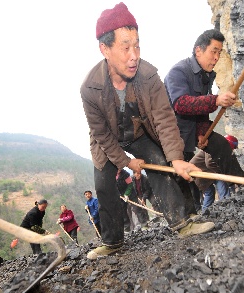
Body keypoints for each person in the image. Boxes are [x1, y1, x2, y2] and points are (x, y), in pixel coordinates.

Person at [80, 2, 215, 260]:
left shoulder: (149, 75)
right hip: (107, 140)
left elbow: (163, 117)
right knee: (104, 183)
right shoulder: (90, 88)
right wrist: (126, 162)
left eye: (137, 45)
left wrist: (176, 158)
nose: (134, 55)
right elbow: (101, 134)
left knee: (158, 162)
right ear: (104, 49)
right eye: (125, 47)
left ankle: (182, 222)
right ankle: (112, 241)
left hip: (138, 132)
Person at [164, 29, 244, 185]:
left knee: (220, 144)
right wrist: (215, 100)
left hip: (192, 130)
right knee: (180, 180)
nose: (216, 58)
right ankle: (186, 209)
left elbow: (200, 111)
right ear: (198, 51)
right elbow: (181, 104)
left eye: (219, 53)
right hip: (173, 135)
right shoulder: (179, 71)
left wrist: (202, 131)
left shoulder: (206, 76)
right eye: (213, 52)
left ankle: (243, 186)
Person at [191, 135, 239, 212]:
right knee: (209, 192)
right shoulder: (213, 147)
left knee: (218, 186)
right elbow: (209, 163)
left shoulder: (220, 148)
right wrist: (222, 173)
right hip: (200, 174)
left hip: (208, 173)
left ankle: (226, 205)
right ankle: (206, 213)